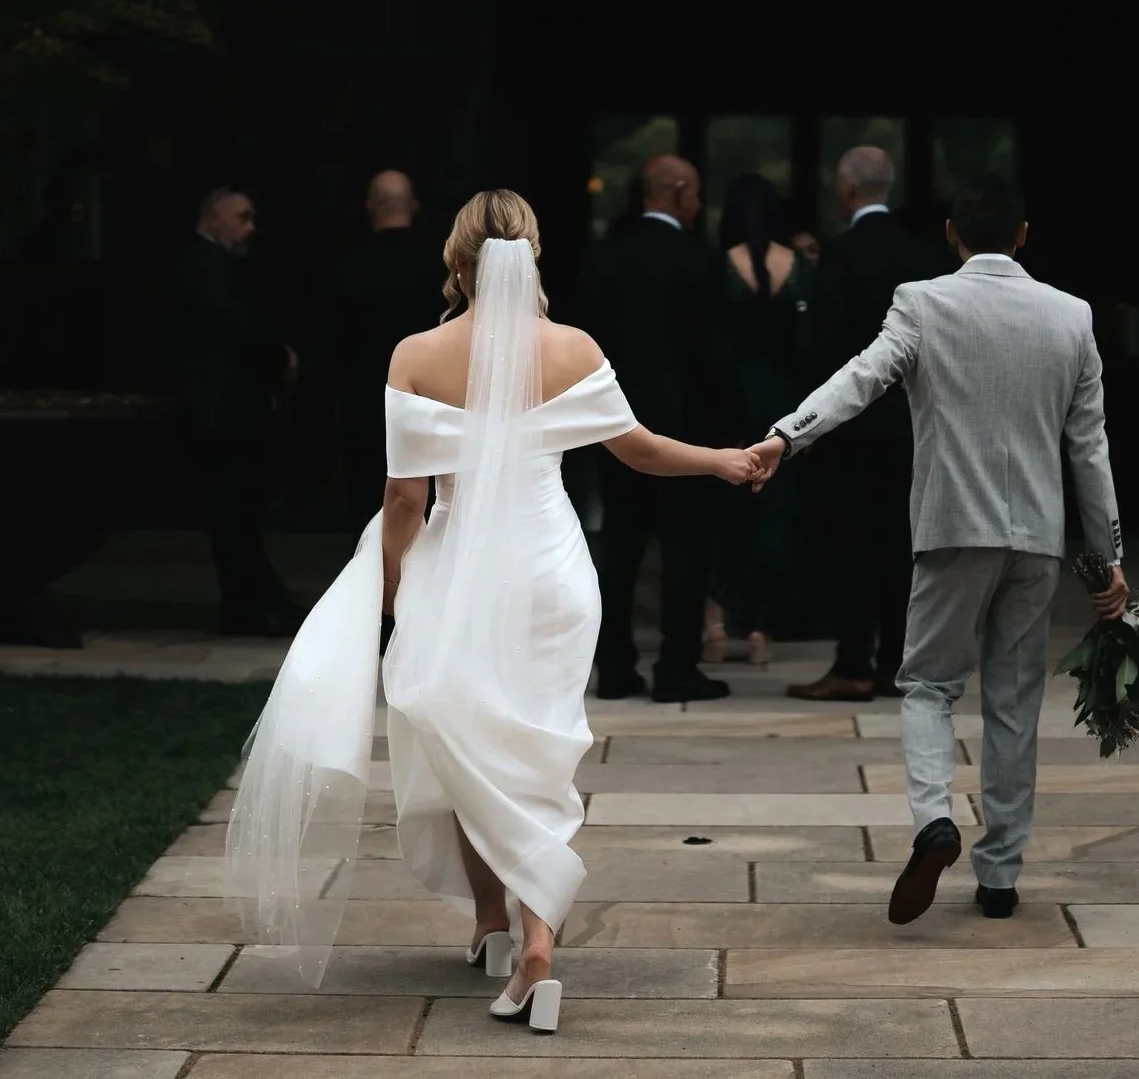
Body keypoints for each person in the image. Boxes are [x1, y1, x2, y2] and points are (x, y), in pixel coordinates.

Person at [225, 189, 760, 1032]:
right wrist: (724, 461)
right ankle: (513, 932)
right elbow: (639, 448)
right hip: (551, 573)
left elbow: (405, 497)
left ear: (456, 257)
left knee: (462, 741)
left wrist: (393, 588)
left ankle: (511, 933)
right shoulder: (573, 346)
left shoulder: (416, 353)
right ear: (534, 255)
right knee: (535, 752)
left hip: (460, 566)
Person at [747, 176, 1122, 925]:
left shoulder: (922, 301)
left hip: (953, 527)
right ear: (1022, 233)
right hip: (1038, 538)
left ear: (951, 231)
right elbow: (1088, 445)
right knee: (1013, 702)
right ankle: (1001, 875)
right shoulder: (1071, 315)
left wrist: (788, 433)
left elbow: (863, 377)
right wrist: (1106, 552)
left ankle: (933, 820)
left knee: (925, 684)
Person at [785, 146, 950, 702]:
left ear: (848, 190)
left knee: (851, 547)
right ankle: (896, 662)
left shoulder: (842, 253)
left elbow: (824, 344)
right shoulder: (925, 252)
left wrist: (808, 421)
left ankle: (854, 662)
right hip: (914, 426)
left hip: (853, 428)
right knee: (903, 547)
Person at [572, 153, 732, 702]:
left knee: (619, 548)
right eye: (697, 191)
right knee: (685, 553)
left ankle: (614, 666)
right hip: (685, 432)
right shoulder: (699, 260)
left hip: (614, 427)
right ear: (680, 190)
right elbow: (714, 355)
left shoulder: (604, 256)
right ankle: (676, 667)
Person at [173, 187, 301, 635]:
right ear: (214, 217)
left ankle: (249, 605)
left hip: (227, 412)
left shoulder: (210, 264)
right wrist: (277, 355)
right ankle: (252, 606)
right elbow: (233, 325)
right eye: (242, 217)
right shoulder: (201, 264)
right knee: (234, 515)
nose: (251, 227)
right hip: (220, 414)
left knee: (236, 515)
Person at [706, 172, 812, 667]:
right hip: (782, 406)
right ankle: (762, 629)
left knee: (721, 517)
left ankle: (715, 620)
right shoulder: (797, 267)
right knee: (776, 518)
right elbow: (810, 344)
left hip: (725, 404)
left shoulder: (718, 265)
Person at [324, 170, 439, 513]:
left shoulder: (348, 265)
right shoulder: (440, 265)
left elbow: (335, 339)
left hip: (366, 400)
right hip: (428, 400)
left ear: (371, 205)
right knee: (427, 502)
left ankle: (375, 566)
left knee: (368, 501)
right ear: (414, 205)